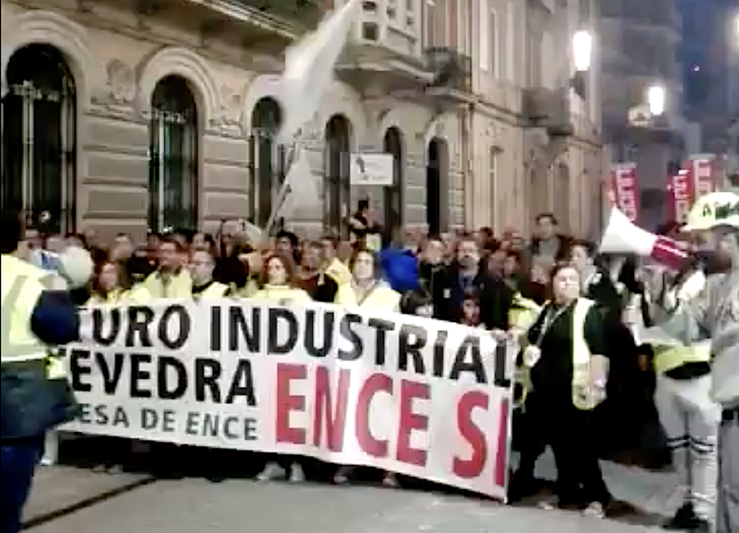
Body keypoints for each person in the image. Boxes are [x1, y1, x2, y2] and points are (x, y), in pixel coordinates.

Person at [651, 192, 739, 533]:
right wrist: (662, 293)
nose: (696, 248)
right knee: (730, 495)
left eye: (703, 240)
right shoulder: (718, 284)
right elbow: (685, 328)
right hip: (730, 410)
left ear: (728, 238)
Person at [1, 211, 88, 533]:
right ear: (19, 242)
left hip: (17, 397)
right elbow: (63, 329)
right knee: (7, 496)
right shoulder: (36, 278)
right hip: (18, 398)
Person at [509, 264, 612, 517]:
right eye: (561, 279)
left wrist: (597, 384)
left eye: (572, 279)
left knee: (582, 447)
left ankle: (598, 496)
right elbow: (532, 338)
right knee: (560, 447)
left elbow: (599, 351)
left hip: (575, 390)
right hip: (546, 391)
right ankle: (568, 493)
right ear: (552, 283)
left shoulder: (587, 310)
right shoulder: (547, 310)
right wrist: (516, 337)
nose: (566, 283)